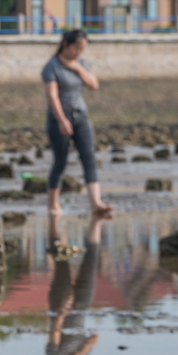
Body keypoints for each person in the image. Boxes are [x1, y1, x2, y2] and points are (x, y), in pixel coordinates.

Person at [42, 29, 112, 217]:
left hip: (81, 117)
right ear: (66, 44)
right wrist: (62, 120)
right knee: (60, 162)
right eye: (77, 48)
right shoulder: (51, 67)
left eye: (82, 49)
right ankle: (53, 204)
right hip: (59, 120)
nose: (79, 52)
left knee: (89, 159)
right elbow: (52, 96)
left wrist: (77, 67)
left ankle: (96, 203)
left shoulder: (80, 63)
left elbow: (93, 85)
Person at [45, 214, 102, 355]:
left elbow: (55, 329)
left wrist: (63, 309)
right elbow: (95, 338)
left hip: (61, 306)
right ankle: (96, 219)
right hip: (82, 305)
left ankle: (53, 220)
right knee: (92, 258)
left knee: (60, 259)